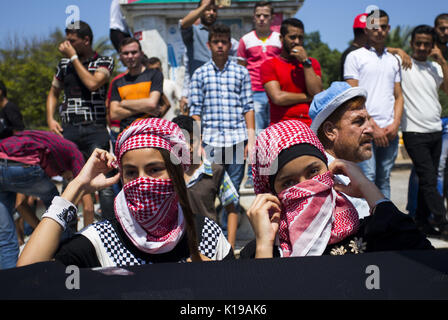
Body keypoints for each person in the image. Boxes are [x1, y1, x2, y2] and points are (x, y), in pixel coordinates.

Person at [17, 118, 234, 268]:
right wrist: (77, 186)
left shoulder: (207, 235)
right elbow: (27, 276)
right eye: (131, 172)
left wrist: (212, 276)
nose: (141, 182)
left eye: (154, 170)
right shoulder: (101, 240)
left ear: (177, 174)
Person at [240, 120, 433, 259]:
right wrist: (264, 245)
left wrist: (366, 187)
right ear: (271, 193)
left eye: (314, 171)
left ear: (329, 169)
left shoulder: (368, 234)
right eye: (289, 183)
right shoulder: (262, 251)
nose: (306, 187)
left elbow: (423, 255)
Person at [46, 20, 115, 227]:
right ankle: (69, 234)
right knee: (71, 182)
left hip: (95, 128)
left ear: (86, 40)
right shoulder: (63, 65)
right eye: (66, 40)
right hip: (69, 130)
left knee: (104, 184)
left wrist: (74, 58)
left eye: (72, 41)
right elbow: (53, 93)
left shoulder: (104, 61)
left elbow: (93, 84)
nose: (66, 44)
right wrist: (50, 119)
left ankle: (110, 231)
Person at [189, 23, 255, 232]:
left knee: (232, 194)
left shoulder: (241, 73)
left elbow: (248, 107)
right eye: (216, 42)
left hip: (236, 140)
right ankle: (210, 234)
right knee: (208, 190)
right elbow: (195, 111)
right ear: (209, 45)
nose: (220, 46)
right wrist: (197, 144)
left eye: (224, 42)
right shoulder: (199, 74)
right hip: (210, 142)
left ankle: (228, 236)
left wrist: (251, 141)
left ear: (229, 45)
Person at [0, 130, 85, 269]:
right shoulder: (74, 152)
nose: (67, 178)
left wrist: (42, 231)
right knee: (56, 202)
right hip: (22, 166)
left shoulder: (40, 146)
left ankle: (10, 285)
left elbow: (20, 204)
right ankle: (68, 256)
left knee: (5, 238)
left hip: (4, 161)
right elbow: (86, 199)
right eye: (69, 177)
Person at [344, 9, 404, 199]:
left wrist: (395, 124)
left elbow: (399, 96)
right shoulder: (354, 57)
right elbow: (354, 97)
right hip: (365, 130)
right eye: (374, 26)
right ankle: (367, 226)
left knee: (384, 179)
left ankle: (386, 225)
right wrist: (373, 126)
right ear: (366, 29)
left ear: (389, 29)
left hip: (390, 131)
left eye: (383, 27)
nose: (379, 30)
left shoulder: (394, 60)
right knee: (366, 178)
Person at [398, 25, 448, 239]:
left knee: (424, 179)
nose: (421, 47)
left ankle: (420, 222)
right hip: (414, 131)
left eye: (426, 44)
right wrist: (398, 51)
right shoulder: (401, 63)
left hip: (435, 130)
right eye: (418, 43)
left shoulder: (435, 67)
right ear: (411, 43)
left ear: (432, 46)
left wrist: (443, 61)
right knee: (428, 179)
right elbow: (384, 49)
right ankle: (443, 221)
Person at [172, 115, 240, 248]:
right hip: (176, 246)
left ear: (200, 139)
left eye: (192, 141)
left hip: (208, 243)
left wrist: (230, 246)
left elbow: (231, 209)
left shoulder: (215, 171)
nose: (188, 148)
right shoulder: (167, 174)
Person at [309, 81, 373, 219]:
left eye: (368, 120)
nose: (370, 129)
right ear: (330, 131)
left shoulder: (348, 172)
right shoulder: (322, 184)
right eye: (359, 121)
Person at [237, 1, 281, 188]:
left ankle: (277, 174)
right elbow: (240, 70)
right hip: (254, 93)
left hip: (277, 94)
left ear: (272, 18)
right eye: (258, 15)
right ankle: (253, 175)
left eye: (265, 15)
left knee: (276, 135)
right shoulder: (246, 40)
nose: (262, 18)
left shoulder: (279, 38)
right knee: (255, 135)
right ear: (254, 17)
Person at [179, 0, 238, 116]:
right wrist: (184, 94)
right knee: (196, 129)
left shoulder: (222, 34)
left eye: (214, 10)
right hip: (198, 92)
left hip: (221, 91)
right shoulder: (193, 32)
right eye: (207, 9)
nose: (211, 13)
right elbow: (183, 24)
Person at [260, 18, 322, 126]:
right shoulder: (269, 65)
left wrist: (305, 62)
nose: (297, 42)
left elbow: (316, 92)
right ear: (281, 38)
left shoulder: (311, 63)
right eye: (292, 37)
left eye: (300, 38)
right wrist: (308, 97)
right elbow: (278, 98)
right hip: (282, 125)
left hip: (310, 125)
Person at [109, 37, 163, 133]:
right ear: (120, 56)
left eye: (134, 52)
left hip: (151, 132)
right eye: (126, 53)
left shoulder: (154, 74)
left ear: (141, 54)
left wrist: (124, 103)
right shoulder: (117, 82)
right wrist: (145, 108)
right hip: (126, 134)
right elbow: (114, 114)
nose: (130, 56)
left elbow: (152, 104)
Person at [340, 13, 412, 80]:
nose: (379, 32)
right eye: (374, 28)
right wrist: (397, 50)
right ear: (366, 31)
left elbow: (382, 50)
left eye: (383, 27)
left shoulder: (353, 52)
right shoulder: (354, 55)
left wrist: (397, 50)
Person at [146, 56, 182, 121]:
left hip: (171, 122)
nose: (155, 72)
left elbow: (181, 100)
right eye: (152, 70)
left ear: (161, 68)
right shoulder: (146, 86)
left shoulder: (170, 83)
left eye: (157, 69)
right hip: (154, 125)